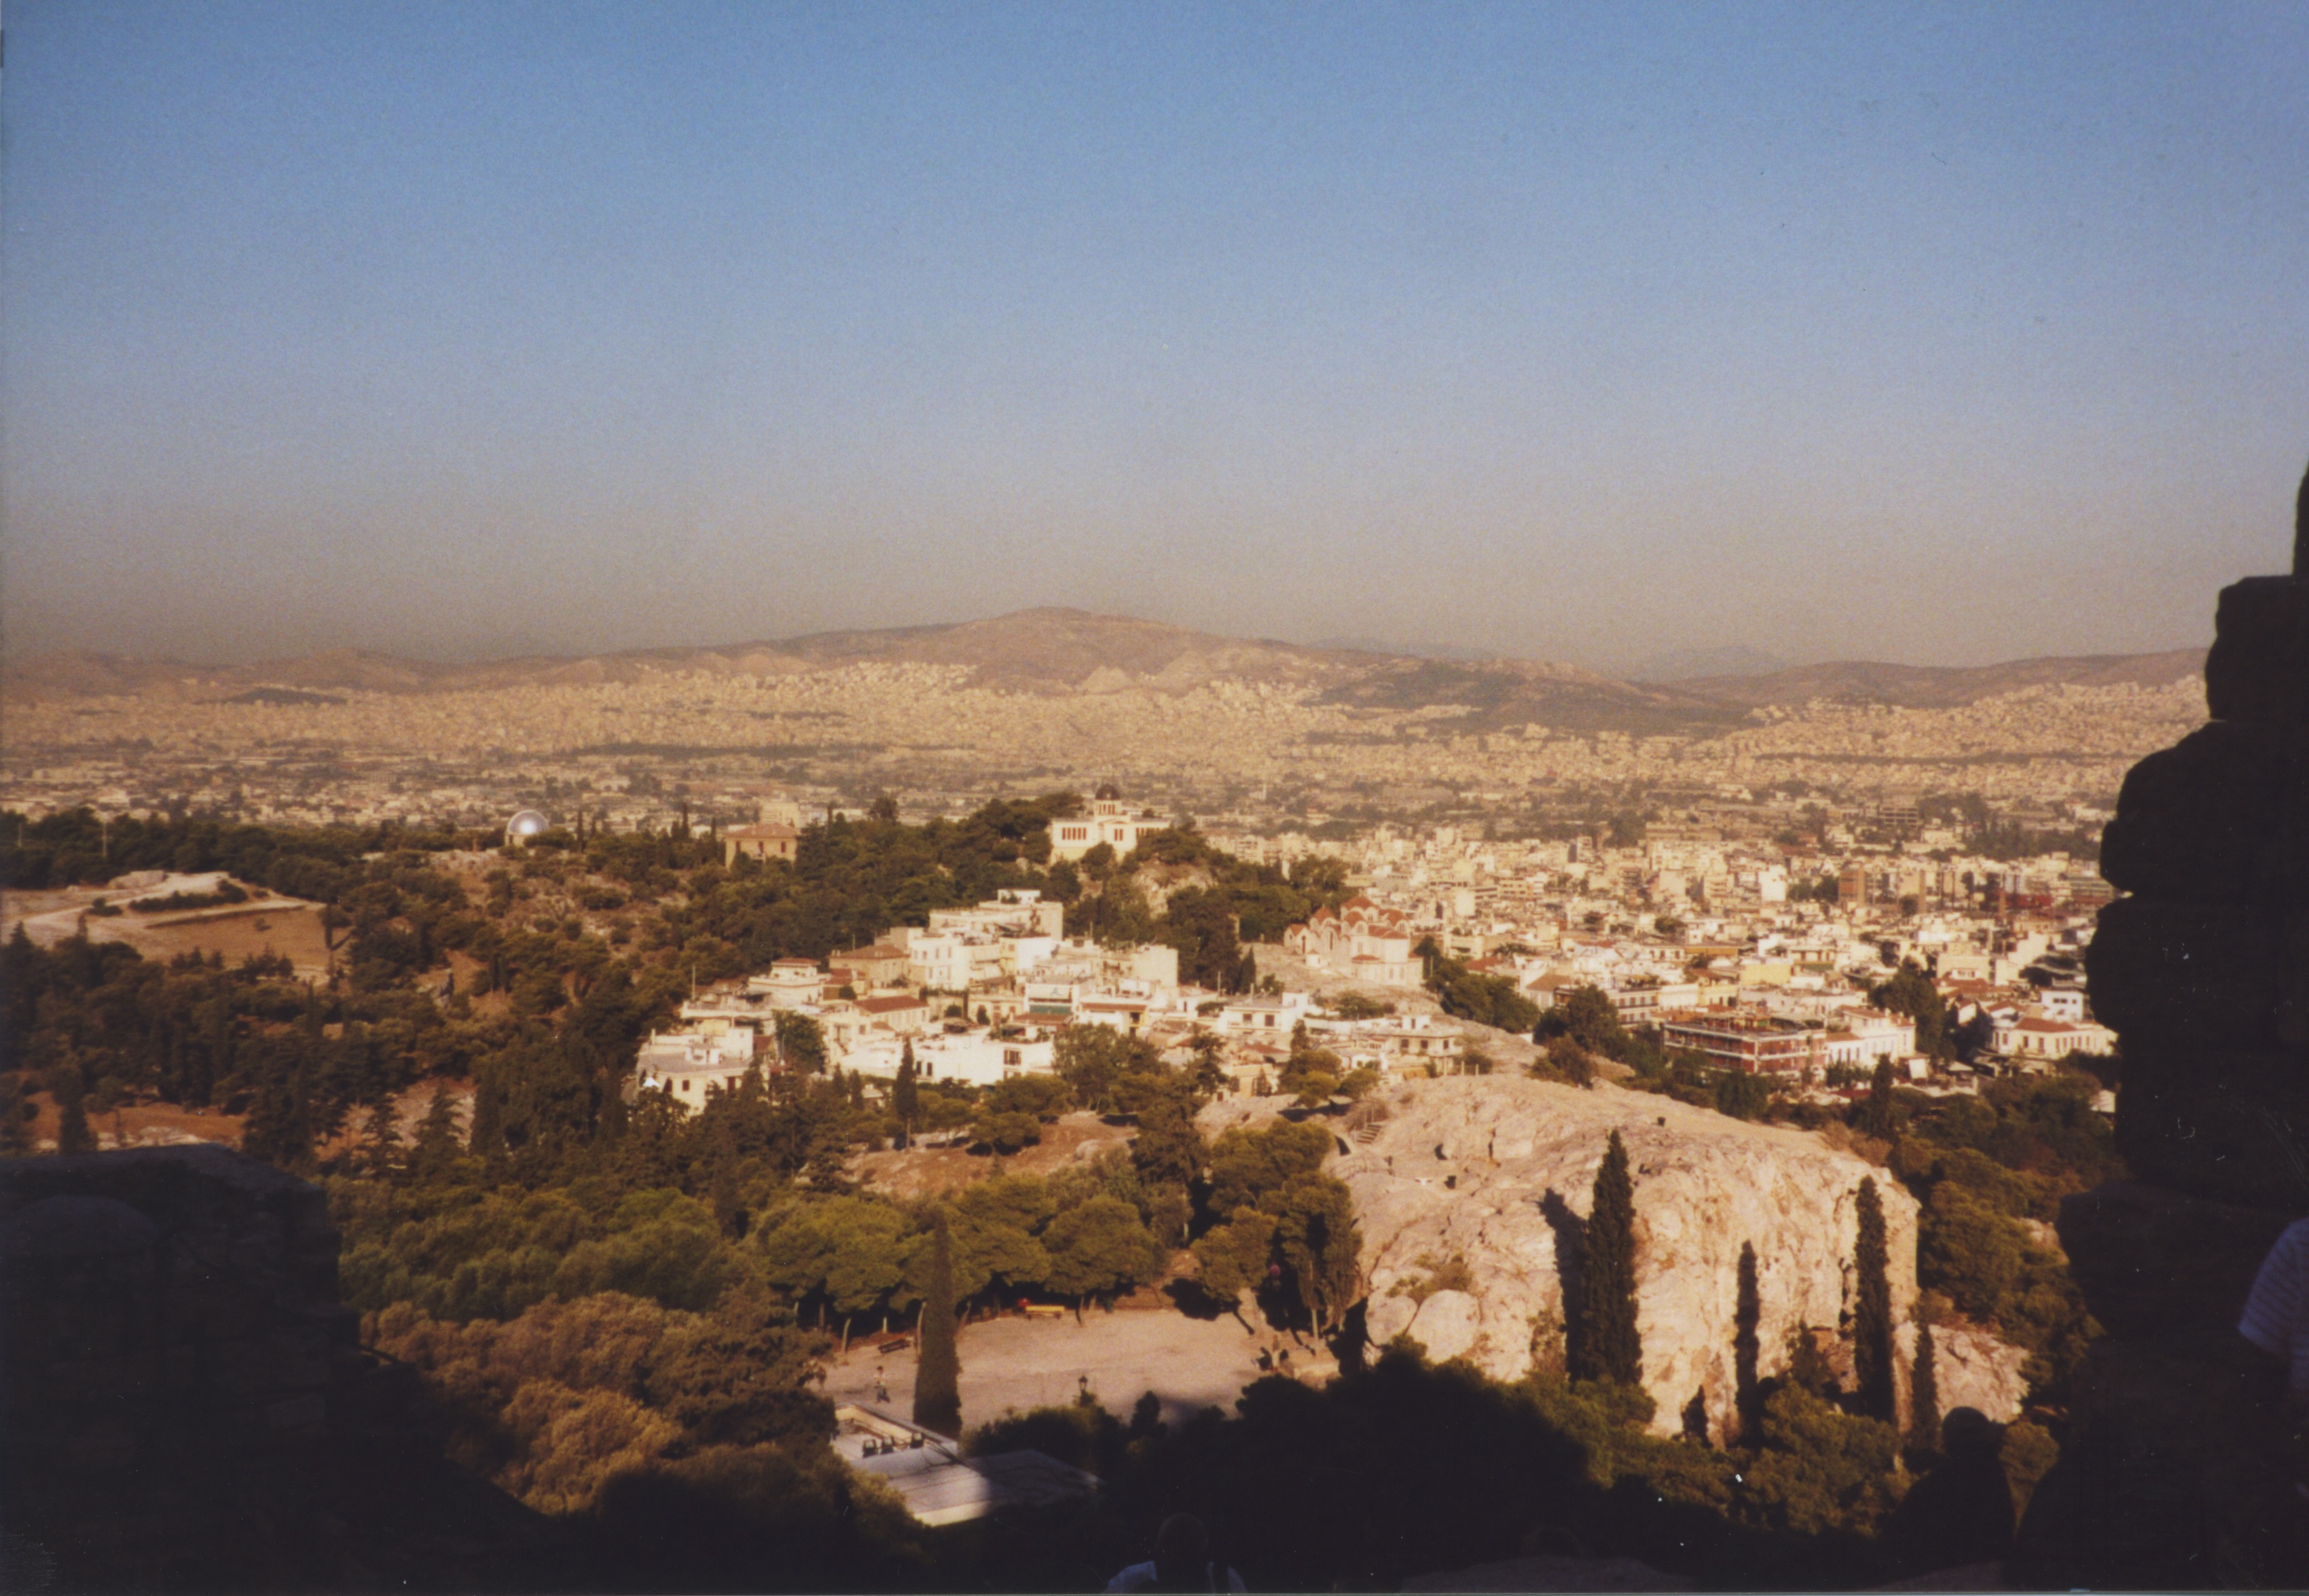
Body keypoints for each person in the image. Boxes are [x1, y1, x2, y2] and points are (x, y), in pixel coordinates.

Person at [1106, 1514, 1246, 1593]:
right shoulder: (1133, 1578)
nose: (1181, 1558)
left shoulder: (1224, 1579)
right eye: (1174, 1548)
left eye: (1189, 1550)